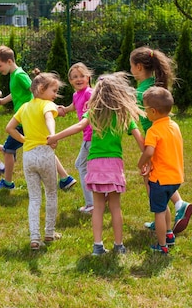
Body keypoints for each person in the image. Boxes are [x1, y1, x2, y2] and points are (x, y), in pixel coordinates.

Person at [48, 72, 144, 256]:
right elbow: (140, 141)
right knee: (115, 207)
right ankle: (118, 245)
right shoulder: (124, 114)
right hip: (114, 164)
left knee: (98, 207)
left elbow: (77, 127)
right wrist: (148, 157)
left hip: (95, 163)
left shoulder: (92, 112)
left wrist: (54, 137)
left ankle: (97, 246)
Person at [0, 45, 76, 191]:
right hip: (25, 118)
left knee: (7, 150)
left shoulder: (19, 75)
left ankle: (7, 183)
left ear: (9, 61)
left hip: (26, 119)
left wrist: (52, 106)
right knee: (42, 147)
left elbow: (38, 90)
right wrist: (4, 100)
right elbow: (18, 93)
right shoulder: (15, 75)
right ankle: (65, 178)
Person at [130, 46, 192, 234]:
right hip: (167, 135)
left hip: (154, 140)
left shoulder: (141, 93)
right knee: (164, 180)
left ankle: (163, 222)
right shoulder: (155, 83)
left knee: (153, 182)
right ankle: (175, 208)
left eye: (131, 66)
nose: (131, 70)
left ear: (139, 67)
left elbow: (138, 121)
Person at [6, 72, 63, 250]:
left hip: (29, 156)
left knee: (34, 198)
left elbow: (9, 128)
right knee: (51, 193)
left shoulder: (24, 107)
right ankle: (49, 233)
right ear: (41, 89)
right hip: (45, 154)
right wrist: (52, 135)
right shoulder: (47, 105)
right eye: (54, 90)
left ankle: (34, 238)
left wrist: (24, 141)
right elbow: (48, 117)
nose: (55, 95)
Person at [136, 87, 185, 254]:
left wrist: (141, 162)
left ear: (153, 111)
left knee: (158, 211)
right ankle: (169, 234)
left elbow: (149, 151)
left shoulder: (153, 130)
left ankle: (162, 245)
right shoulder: (174, 126)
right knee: (164, 206)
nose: (145, 112)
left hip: (159, 179)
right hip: (175, 177)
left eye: (145, 109)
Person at [57, 62, 95, 214]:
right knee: (84, 165)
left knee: (82, 166)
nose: (79, 79)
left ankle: (91, 204)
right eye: (74, 77)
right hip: (87, 136)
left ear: (88, 77)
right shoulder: (76, 94)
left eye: (82, 76)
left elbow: (96, 106)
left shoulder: (89, 93)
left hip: (92, 136)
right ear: (70, 81)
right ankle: (101, 196)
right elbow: (74, 105)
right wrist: (63, 110)